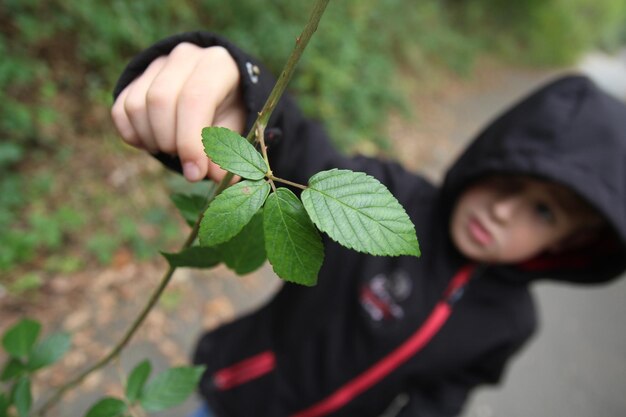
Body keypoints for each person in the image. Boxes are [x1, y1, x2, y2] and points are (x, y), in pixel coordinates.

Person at [111, 32, 626, 417]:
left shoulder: (510, 324)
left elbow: (442, 396)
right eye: (508, 179)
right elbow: (298, 156)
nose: (504, 210)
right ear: (486, 157)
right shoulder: (391, 198)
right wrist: (240, 91)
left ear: (572, 241)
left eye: (544, 211)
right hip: (237, 397)